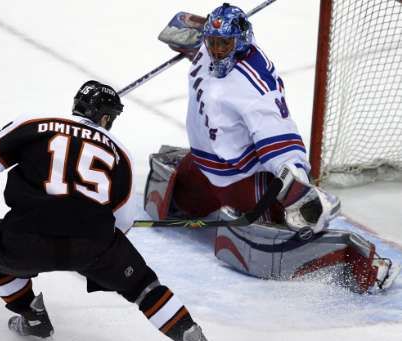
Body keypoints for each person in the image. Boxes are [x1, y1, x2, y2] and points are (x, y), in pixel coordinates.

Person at [0, 81, 217, 341]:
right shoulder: (119, 152)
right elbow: (122, 222)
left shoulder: (32, 124)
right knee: (143, 286)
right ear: (105, 118)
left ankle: (33, 317)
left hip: (24, 238)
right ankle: (192, 339)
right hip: (92, 246)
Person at [144, 3, 399, 293]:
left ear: (240, 43)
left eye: (224, 44)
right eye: (212, 43)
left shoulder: (255, 88)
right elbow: (177, 26)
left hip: (239, 181)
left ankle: (364, 262)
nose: (216, 51)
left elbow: (281, 137)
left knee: (292, 226)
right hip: (202, 170)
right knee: (176, 204)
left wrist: (295, 183)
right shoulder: (209, 50)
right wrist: (194, 33)